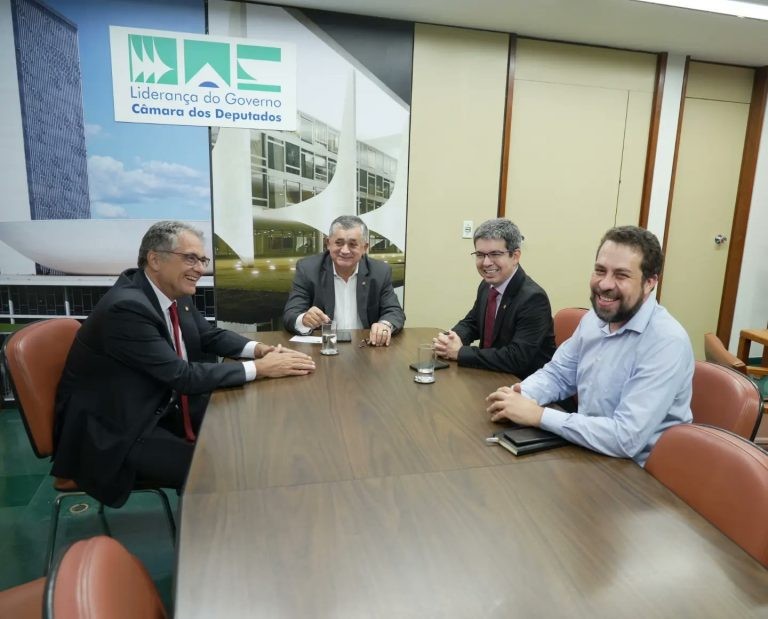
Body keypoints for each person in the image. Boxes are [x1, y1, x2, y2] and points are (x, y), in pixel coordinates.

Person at [52, 221, 316, 507]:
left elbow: (209, 335)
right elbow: (181, 376)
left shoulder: (172, 294)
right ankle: (213, 541)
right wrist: (261, 369)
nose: (200, 269)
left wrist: (260, 351)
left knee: (248, 435)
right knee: (221, 470)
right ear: (155, 259)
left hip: (158, 407)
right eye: (190, 258)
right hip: (117, 430)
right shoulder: (126, 308)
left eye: (202, 260)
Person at [485, 225, 694, 466]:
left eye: (621, 275)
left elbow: (625, 438)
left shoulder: (666, 342)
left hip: (638, 475)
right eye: (600, 270)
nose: (605, 284)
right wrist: (521, 395)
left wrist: (539, 415)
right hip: (587, 450)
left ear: (650, 283)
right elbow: (559, 374)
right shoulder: (596, 319)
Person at [433, 218, 555, 378]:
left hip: (525, 387)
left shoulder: (533, 298)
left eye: (495, 254)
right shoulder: (487, 286)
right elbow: (472, 323)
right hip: (492, 376)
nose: (486, 262)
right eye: (480, 254)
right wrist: (450, 339)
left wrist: (460, 352)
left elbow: (516, 358)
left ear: (515, 256)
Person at [283, 215, 405, 346]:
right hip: (323, 348)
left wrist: (384, 325)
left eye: (353, 244)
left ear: (365, 247)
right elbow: (291, 313)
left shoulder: (380, 271)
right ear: (328, 243)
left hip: (365, 348)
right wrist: (304, 319)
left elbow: (394, 311)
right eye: (338, 243)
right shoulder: (308, 269)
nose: (345, 250)